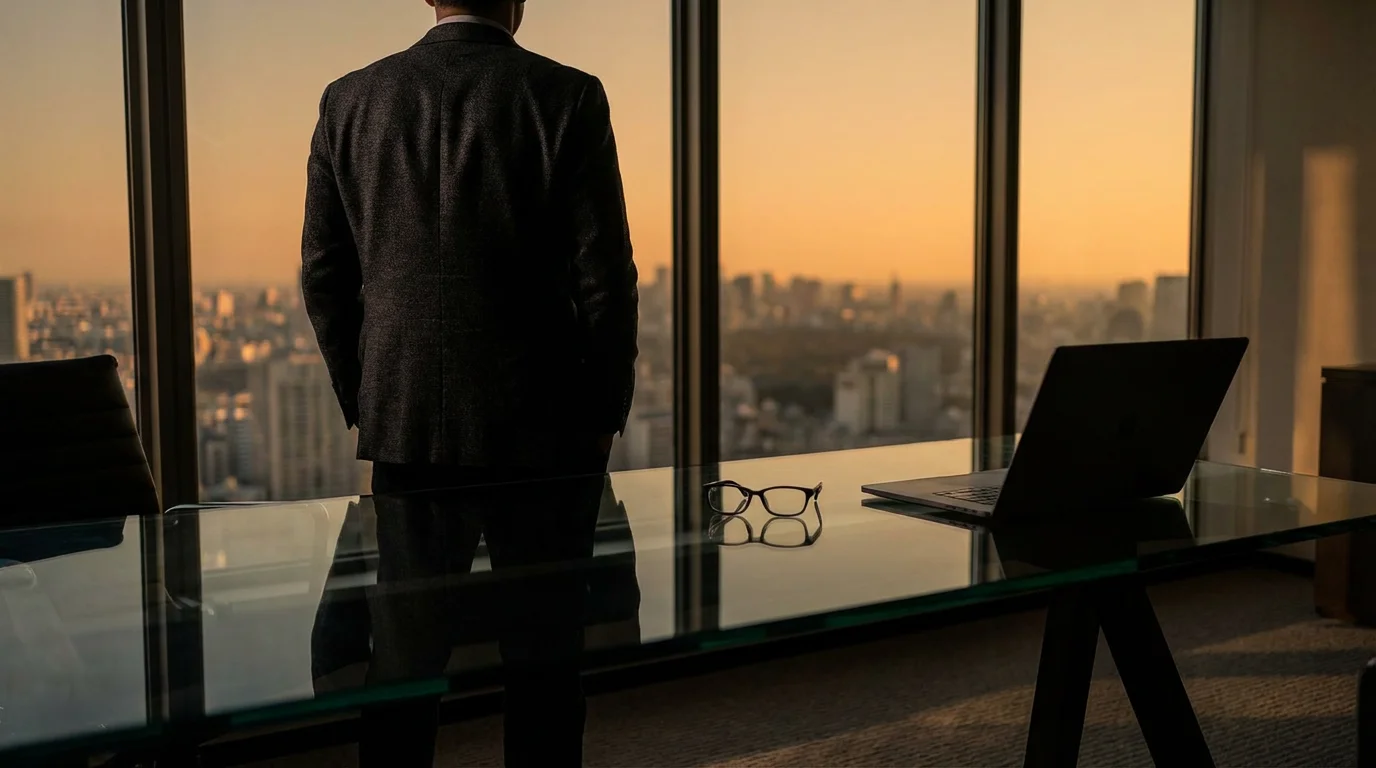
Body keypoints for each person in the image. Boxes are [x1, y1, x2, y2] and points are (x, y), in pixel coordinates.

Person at [301, 0, 639, 498]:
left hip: (402, 421)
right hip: (544, 425)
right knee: (547, 578)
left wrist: (370, 394)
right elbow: (604, 279)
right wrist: (603, 413)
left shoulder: (348, 101)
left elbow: (323, 274)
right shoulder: (568, 97)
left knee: (415, 579)